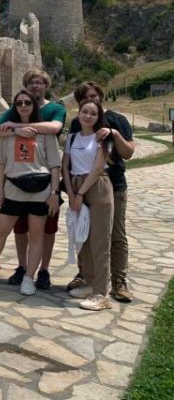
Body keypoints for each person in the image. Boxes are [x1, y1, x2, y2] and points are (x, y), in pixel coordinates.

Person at [0, 90, 61, 296]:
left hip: (40, 190)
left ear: (33, 105)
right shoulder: (7, 133)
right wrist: (0, 188)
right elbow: (2, 163)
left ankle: (29, 278)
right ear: (15, 107)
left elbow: (55, 166)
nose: (23, 106)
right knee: (0, 231)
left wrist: (55, 193)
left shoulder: (46, 134)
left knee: (36, 235)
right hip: (13, 188)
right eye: (19, 103)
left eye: (27, 102)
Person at [0, 69, 65, 289]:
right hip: (18, 179)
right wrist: (15, 128)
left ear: (46, 85)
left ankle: (43, 270)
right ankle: (23, 267)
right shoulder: (18, 107)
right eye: (31, 82)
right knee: (20, 229)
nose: (35, 86)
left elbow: (55, 128)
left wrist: (17, 127)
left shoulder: (55, 108)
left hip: (44, 178)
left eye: (40, 82)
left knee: (46, 230)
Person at [67, 82, 135, 302]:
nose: (92, 100)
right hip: (84, 188)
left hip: (112, 185)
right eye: (86, 98)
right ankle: (87, 277)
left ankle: (118, 281)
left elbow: (128, 152)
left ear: (101, 97)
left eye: (95, 96)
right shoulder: (77, 124)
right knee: (85, 235)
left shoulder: (117, 120)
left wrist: (114, 134)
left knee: (114, 236)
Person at [63, 98, 115, 310]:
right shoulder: (72, 137)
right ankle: (90, 283)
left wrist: (80, 194)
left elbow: (97, 168)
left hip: (96, 186)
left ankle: (101, 293)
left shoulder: (102, 138)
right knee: (82, 239)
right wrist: (71, 192)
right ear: (79, 113)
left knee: (100, 241)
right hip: (75, 186)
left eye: (93, 113)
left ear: (98, 117)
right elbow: (66, 166)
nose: (88, 116)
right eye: (85, 111)